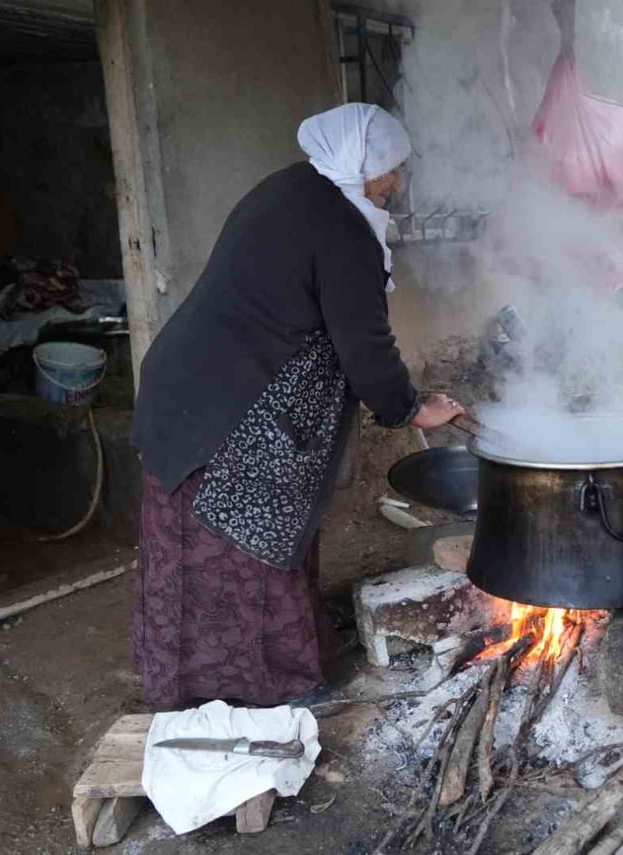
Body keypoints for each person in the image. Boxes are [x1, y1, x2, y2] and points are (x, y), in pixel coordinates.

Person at [130, 104, 464, 711]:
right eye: (392, 169)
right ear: (363, 166)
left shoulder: (290, 187)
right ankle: (269, 687)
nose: (397, 182)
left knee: (204, 548)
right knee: (247, 544)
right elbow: (365, 347)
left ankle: (193, 676)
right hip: (230, 414)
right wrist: (414, 409)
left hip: (190, 388)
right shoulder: (341, 228)